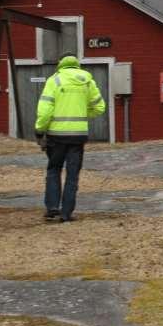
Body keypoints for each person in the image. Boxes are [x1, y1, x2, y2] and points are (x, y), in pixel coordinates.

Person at [35, 53, 106, 222]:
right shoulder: (87, 80)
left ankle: (52, 207)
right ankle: (66, 213)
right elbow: (100, 107)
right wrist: (82, 113)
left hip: (56, 135)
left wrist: (39, 130)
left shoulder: (54, 80)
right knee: (72, 175)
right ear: (77, 64)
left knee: (54, 170)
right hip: (78, 136)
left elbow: (45, 111)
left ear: (60, 64)